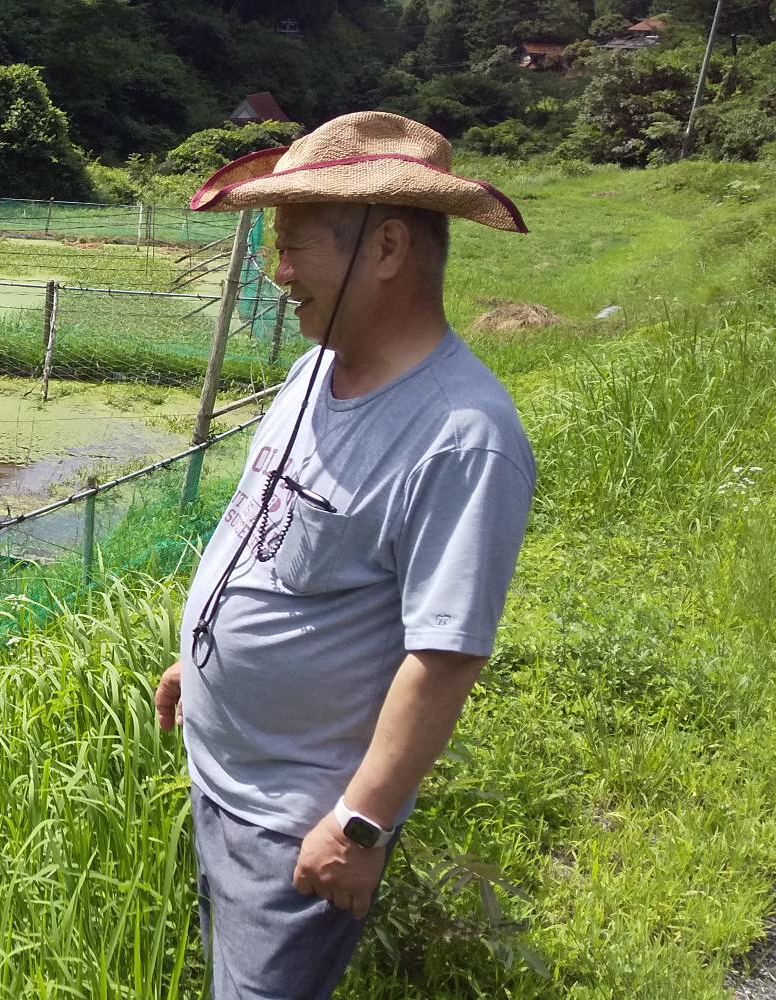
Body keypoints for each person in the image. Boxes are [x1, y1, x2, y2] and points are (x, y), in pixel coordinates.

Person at [153, 111, 537, 998]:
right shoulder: (312, 373)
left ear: (388, 247)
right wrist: (200, 659)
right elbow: (274, 535)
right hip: (224, 774)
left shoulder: (461, 439)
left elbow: (443, 657)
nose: (276, 272)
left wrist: (359, 825)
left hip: (297, 823)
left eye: (291, 246)